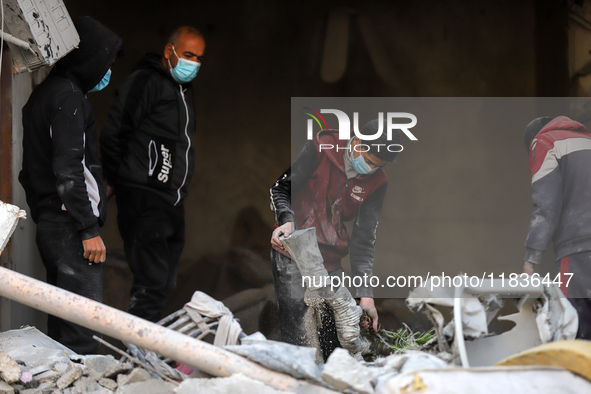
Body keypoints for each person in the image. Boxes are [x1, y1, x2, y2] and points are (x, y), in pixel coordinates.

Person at [18, 16, 122, 354]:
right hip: (72, 229)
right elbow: (68, 169)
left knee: (62, 328)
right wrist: (87, 227)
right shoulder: (69, 97)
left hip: (52, 225)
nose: (107, 71)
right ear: (90, 58)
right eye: (106, 62)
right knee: (82, 332)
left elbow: (28, 172)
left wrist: (45, 212)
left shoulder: (41, 96)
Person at [269, 119, 399, 359]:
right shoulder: (322, 148)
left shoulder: (378, 182)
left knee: (338, 341)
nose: (369, 169)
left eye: (377, 167)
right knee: (300, 337)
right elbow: (280, 188)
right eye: (368, 161)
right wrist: (287, 219)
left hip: (330, 260)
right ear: (357, 142)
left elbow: (364, 239)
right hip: (293, 252)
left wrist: (365, 294)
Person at [100, 27, 205, 322]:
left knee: (164, 284)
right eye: (188, 55)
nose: (194, 62)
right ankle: (139, 354)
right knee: (151, 284)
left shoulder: (181, 91)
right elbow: (114, 132)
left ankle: (148, 351)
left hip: (171, 200)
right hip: (145, 196)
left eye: (199, 57)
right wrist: (116, 178)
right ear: (169, 51)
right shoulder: (147, 81)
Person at [522, 115, 591, 339]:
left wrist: (530, 260)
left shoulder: (544, 142)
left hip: (578, 251)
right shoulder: (587, 140)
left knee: (572, 326)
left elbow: (546, 207)